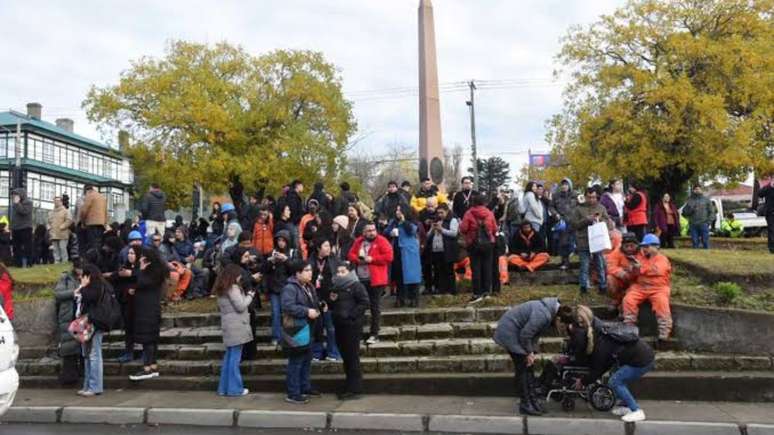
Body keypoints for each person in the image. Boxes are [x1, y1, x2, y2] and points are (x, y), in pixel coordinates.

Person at [570, 306, 654, 423]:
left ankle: (636, 411)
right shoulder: (599, 327)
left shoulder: (601, 341)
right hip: (639, 355)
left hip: (641, 361)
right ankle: (626, 406)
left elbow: (599, 369)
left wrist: (583, 381)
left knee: (615, 381)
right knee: (617, 376)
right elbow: (605, 364)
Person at [493, 297, 572, 416]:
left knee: (529, 368)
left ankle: (532, 401)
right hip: (510, 332)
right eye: (562, 326)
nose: (561, 329)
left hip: (518, 333)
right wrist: (529, 353)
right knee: (523, 368)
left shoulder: (548, 312)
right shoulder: (543, 315)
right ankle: (525, 404)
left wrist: (532, 352)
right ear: (559, 319)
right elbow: (525, 335)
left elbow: (534, 334)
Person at [281, 260, 321, 404]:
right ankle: (293, 393)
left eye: (310, 270)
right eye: (306, 270)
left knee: (306, 361)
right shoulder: (290, 288)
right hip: (296, 329)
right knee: (296, 362)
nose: (310, 273)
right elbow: (287, 306)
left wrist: (320, 306)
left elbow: (313, 304)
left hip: (308, 328)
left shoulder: (309, 286)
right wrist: (306, 311)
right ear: (298, 273)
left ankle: (305, 387)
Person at [328, 263, 370, 400]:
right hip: (339, 325)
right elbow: (333, 305)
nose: (340, 274)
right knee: (346, 357)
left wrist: (351, 315)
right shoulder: (335, 287)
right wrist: (331, 302)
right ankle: (349, 385)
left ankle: (355, 389)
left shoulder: (356, 285)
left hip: (352, 326)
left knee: (352, 357)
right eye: (338, 271)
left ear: (349, 272)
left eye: (343, 271)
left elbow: (364, 302)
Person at [348, 222, 393, 345]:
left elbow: (389, 257)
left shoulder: (382, 241)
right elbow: (350, 254)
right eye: (368, 230)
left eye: (373, 230)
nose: (372, 232)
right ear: (363, 232)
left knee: (375, 307)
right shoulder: (358, 241)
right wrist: (359, 260)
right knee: (360, 306)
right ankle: (358, 332)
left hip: (376, 280)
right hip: (361, 278)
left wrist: (372, 259)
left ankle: (374, 333)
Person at [622, 234, 673, 340]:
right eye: (643, 247)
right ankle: (629, 326)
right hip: (640, 287)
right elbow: (634, 275)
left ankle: (664, 330)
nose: (644, 249)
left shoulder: (662, 259)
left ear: (656, 247)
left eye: (647, 246)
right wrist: (633, 269)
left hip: (658, 288)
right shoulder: (640, 258)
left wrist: (641, 269)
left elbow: (657, 270)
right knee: (628, 299)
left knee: (662, 303)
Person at [215, 263, 255, 397]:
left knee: (229, 358)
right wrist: (250, 295)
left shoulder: (222, 288)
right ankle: (234, 389)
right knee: (234, 360)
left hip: (228, 325)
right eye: (238, 275)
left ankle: (223, 388)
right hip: (237, 326)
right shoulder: (233, 288)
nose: (240, 277)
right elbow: (241, 306)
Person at [129, 247, 169, 381]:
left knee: (148, 339)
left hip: (147, 310)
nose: (140, 259)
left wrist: (140, 270)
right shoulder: (155, 272)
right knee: (151, 339)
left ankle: (147, 367)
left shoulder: (152, 272)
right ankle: (152, 365)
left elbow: (141, 282)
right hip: (149, 309)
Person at [75, 264, 111, 397]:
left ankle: (95, 386)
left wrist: (83, 287)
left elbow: (89, 298)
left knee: (94, 354)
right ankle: (88, 385)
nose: (81, 278)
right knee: (87, 355)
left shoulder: (96, 288)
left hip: (94, 323)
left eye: (83, 276)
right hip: (86, 324)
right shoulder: (94, 287)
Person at [569, 187, 613, 295]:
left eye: (593, 197)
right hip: (583, 240)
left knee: (600, 264)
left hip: (597, 240)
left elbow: (609, 223)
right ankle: (583, 287)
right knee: (584, 265)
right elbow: (573, 224)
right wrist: (586, 220)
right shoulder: (578, 209)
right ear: (585, 197)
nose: (591, 199)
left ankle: (602, 286)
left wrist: (599, 220)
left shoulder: (601, 208)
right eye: (589, 197)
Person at [264, 230, 300, 346]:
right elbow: (265, 270)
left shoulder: (293, 252)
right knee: (275, 312)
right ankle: (276, 336)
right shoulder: (272, 253)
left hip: (289, 288)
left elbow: (296, 269)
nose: (281, 243)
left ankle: (288, 336)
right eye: (279, 240)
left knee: (288, 313)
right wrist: (271, 262)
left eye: (283, 241)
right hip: (275, 287)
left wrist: (286, 260)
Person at [460, 194, 497, 304]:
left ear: (473, 202)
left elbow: (463, 228)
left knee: (476, 269)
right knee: (487, 268)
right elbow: (495, 229)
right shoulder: (489, 213)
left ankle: (477, 293)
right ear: (484, 202)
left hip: (473, 244)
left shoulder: (469, 213)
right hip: (488, 244)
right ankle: (487, 292)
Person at [311, 239, 342, 362]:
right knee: (316, 328)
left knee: (331, 328)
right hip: (315, 298)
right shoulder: (311, 260)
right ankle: (316, 353)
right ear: (319, 248)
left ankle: (332, 352)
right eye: (326, 245)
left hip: (331, 299)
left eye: (329, 245)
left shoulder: (334, 260)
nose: (329, 248)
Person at [385, 206, 422, 307]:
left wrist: (403, 221)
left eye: (399, 210)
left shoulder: (412, 222)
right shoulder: (393, 222)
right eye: (396, 210)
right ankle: (400, 298)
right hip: (397, 250)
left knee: (412, 275)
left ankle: (413, 298)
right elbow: (386, 232)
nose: (397, 212)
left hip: (409, 251)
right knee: (398, 275)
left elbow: (412, 231)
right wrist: (391, 232)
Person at [54, 260, 84, 385]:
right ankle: (69, 375)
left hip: (81, 315)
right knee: (68, 347)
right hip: (68, 315)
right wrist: (73, 293)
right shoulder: (65, 278)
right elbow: (58, 294)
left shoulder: (88, 277)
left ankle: (82, 372)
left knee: (82, 346)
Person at [109, 246, 140, 363]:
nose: (130, 255)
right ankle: (129, 352)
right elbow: (116, 277)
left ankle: (144, 353)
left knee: (140, 328)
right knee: (128, 328)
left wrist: (132, 274)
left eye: (133, 253)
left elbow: (145, 278)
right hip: (127, 303)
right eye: (129, 253)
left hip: (139, 304)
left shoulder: (140, 269)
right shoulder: (124, 267)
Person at [426, 203, 459, 295]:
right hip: (437, 249)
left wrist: (442, 229)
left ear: (447, 211)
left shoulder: (452, 220)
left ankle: (451, 290)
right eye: (438, 213)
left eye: (442, 213)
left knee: (449, 271)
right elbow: (428, 236)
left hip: (448, 249)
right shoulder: (437, 221)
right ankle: (442, 290)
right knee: (439, 271)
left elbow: (454, 233)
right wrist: (432, 229)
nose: (440, 215)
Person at [605, 233, 640, 310]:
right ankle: (616, 299)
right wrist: (621, 273)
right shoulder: (617, 252)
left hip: (637, 281)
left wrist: (634, 270)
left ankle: (623, 305)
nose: (629, 249)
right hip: (622, 279)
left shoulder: (642, 252)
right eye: (626, 246)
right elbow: (610, 266)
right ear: (622, 246)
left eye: (632, 246)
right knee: (610, 279)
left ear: (637, 245)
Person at [550, 179, 577, 270]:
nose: (564, 186)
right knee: (563, 243)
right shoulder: (556, 196)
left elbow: (582, 205)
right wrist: (555, 214)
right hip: (562, 222)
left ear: (570, 185)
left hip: (574, 222)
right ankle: (565, 262)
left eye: (566, 184)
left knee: (574, 242)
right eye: (562, 185)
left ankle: (578, 262)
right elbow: (551, 207)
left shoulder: (575, 195)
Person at [78, 185, 108, 254]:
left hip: (92, 223)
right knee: (99, 242)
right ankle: (99, 258)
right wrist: (105, 223)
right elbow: (106, 211)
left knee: (92, 243)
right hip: (101, 223)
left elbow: (84, 210)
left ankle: (93, 258)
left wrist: (82, 222)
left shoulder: (89, 195)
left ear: (86, 191)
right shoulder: (102, 197)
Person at [682, 185, 714, 249]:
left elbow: (712, 212)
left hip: (704, 224)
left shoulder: (706, 200)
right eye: (696, 189)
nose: (697, 190)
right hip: (693, 224)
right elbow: (684, 213)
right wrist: (690, 210)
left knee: (705, 241)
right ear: (693, 190)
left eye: (699, 189)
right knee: (695, 242)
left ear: (701, 190)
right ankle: (695, 256)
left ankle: (707, 255)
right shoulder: (690, 200)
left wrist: (708, 222)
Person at [10, 188, 33, 267]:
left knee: (27, 247)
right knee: (16, 247)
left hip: (25, 228)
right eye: (13, 195)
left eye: (16, 194)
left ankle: (29, 263)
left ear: (21, 195)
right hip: (15, 228)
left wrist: (17, 203)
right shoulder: (14, 204)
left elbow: (23, 211)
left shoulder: (28, 203)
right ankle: (17, 264)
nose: (14, 196)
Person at [48, 196, 73, 263]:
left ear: (61, 202)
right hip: (54, 233)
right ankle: (57, 261)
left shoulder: (66, 211)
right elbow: (49, 221)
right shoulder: (51, 212)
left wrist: (63, 226)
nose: (56, 202)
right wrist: (50, 228)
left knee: (63, 248)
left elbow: (69, 220)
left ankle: (64, 261)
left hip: (63, 233)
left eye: (58, 201)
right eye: (55, 201)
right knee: (55, 249)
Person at [759, 177, 774, 254]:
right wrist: (769, 186)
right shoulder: (767, 188)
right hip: (770, 213)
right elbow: (760, 194)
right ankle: (772, 248)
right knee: (772, 230)